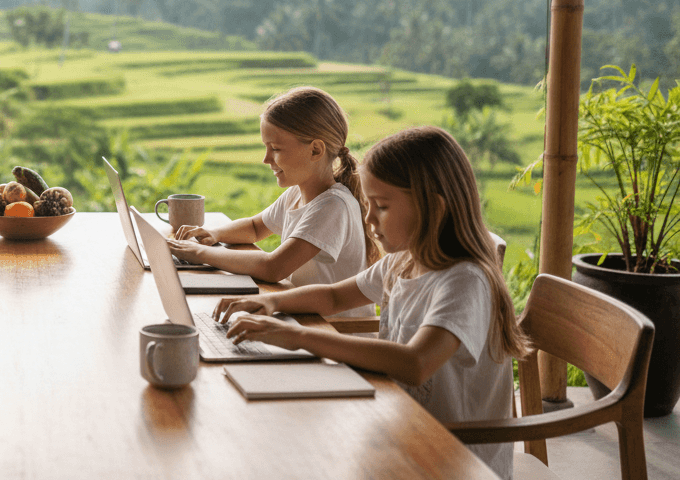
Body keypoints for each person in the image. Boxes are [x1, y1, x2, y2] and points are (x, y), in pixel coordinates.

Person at [216, 126, 527, 480]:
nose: (369, 220)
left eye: (381, 207)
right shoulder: (404, 261)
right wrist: (271, 305)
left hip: (453, 458)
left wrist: (299, 338)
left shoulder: (465, 281)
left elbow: (415, 362)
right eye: (368, 205)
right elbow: (334, 296)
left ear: (434, 209)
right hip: (398, 425)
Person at [167, 86, 377, 317]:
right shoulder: (296, 194)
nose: (266, 159)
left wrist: (198, 253)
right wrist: (213, 234)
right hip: (300, 317)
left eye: (275, 149)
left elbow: (274, 268)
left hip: (333, 335)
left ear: (315, 150)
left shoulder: (334, 206)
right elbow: (255, 228)